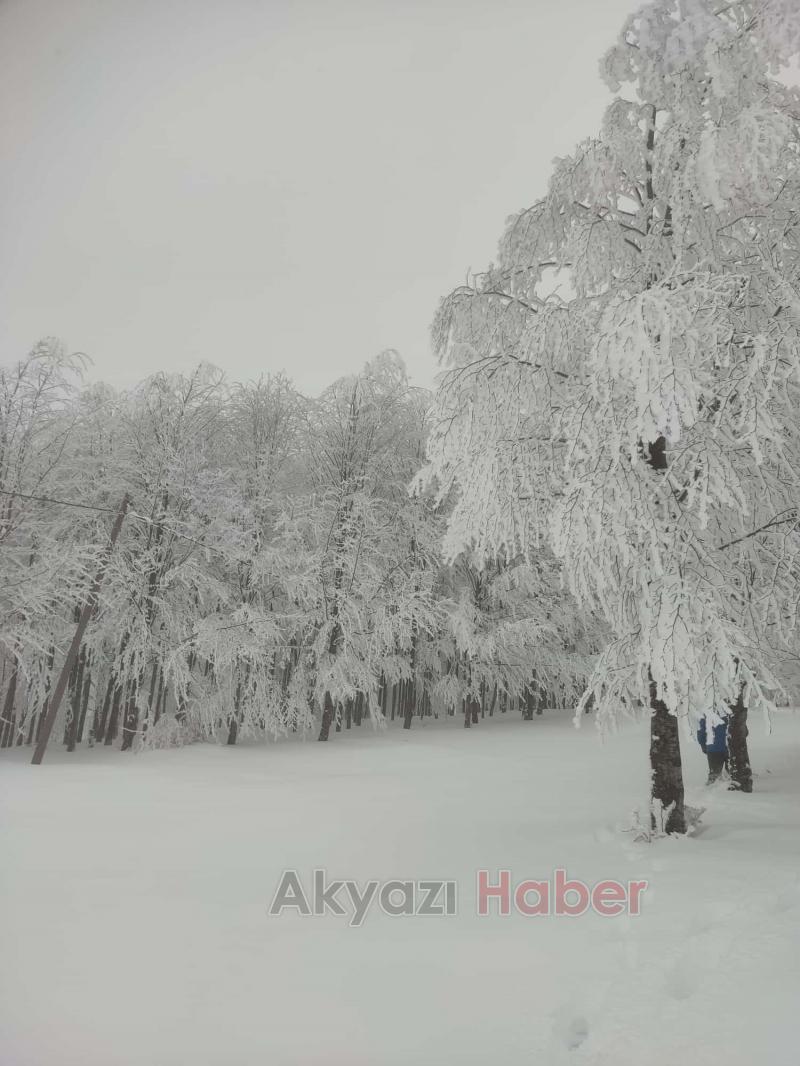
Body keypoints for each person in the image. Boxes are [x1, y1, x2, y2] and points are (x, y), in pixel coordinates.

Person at [697, 711, 729, 784]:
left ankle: (711, 791)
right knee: (731, 775)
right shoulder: (729, 713)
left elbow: (701, 733)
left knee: (714, 776)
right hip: (730, 748)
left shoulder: (706, 714)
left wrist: (704, 747)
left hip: (713, 749)